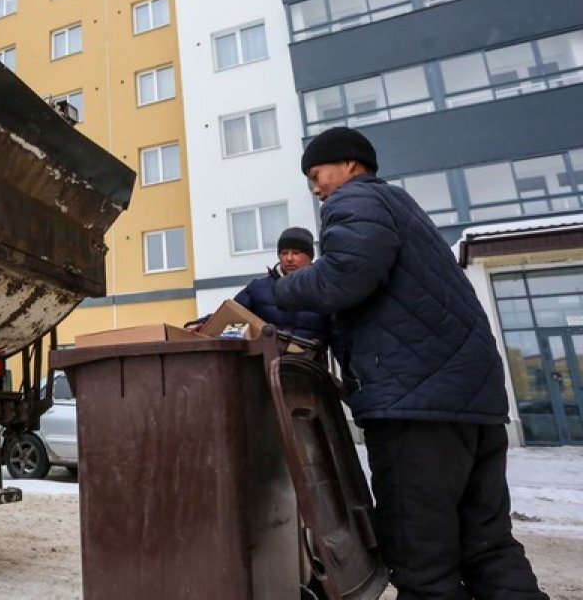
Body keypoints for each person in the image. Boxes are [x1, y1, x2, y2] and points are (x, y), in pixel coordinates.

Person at [273, 126, 546, 600]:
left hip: (415, 408)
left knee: (423, 565)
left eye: (317, 175)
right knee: (488, 548)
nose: (316, 188)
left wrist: (279, 291)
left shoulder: (355, 201)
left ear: (350, 166)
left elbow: (342, 278)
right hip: (471, 404)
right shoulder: (403, 208)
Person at [187, 227, 333, 347]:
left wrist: (350, 380)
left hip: (311, 371)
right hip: (267, 369)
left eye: (296, 253)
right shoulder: (258, 288)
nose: (289, 258)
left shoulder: (326, 289)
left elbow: (340, 338)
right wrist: (199, 324)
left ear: (310, 256)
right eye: (283, 253)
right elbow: (230, 313)